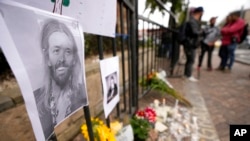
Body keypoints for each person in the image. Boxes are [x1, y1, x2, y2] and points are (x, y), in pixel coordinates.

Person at [34, 19, 87, 139]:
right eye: (56, 50)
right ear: (47, 58)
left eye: (68, 51)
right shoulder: (37, 99)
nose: (62, 59)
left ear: (74, 59)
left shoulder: (81, 94)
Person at [183, 6, 204, 82]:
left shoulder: (193, 20)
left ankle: (187, 74)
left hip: (191, 43)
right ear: (199, 13)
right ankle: (188, 75)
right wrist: (202, 32)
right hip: (190, 43)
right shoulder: (193, 21)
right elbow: (194, 32)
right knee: (191, 60)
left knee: (190, 60)